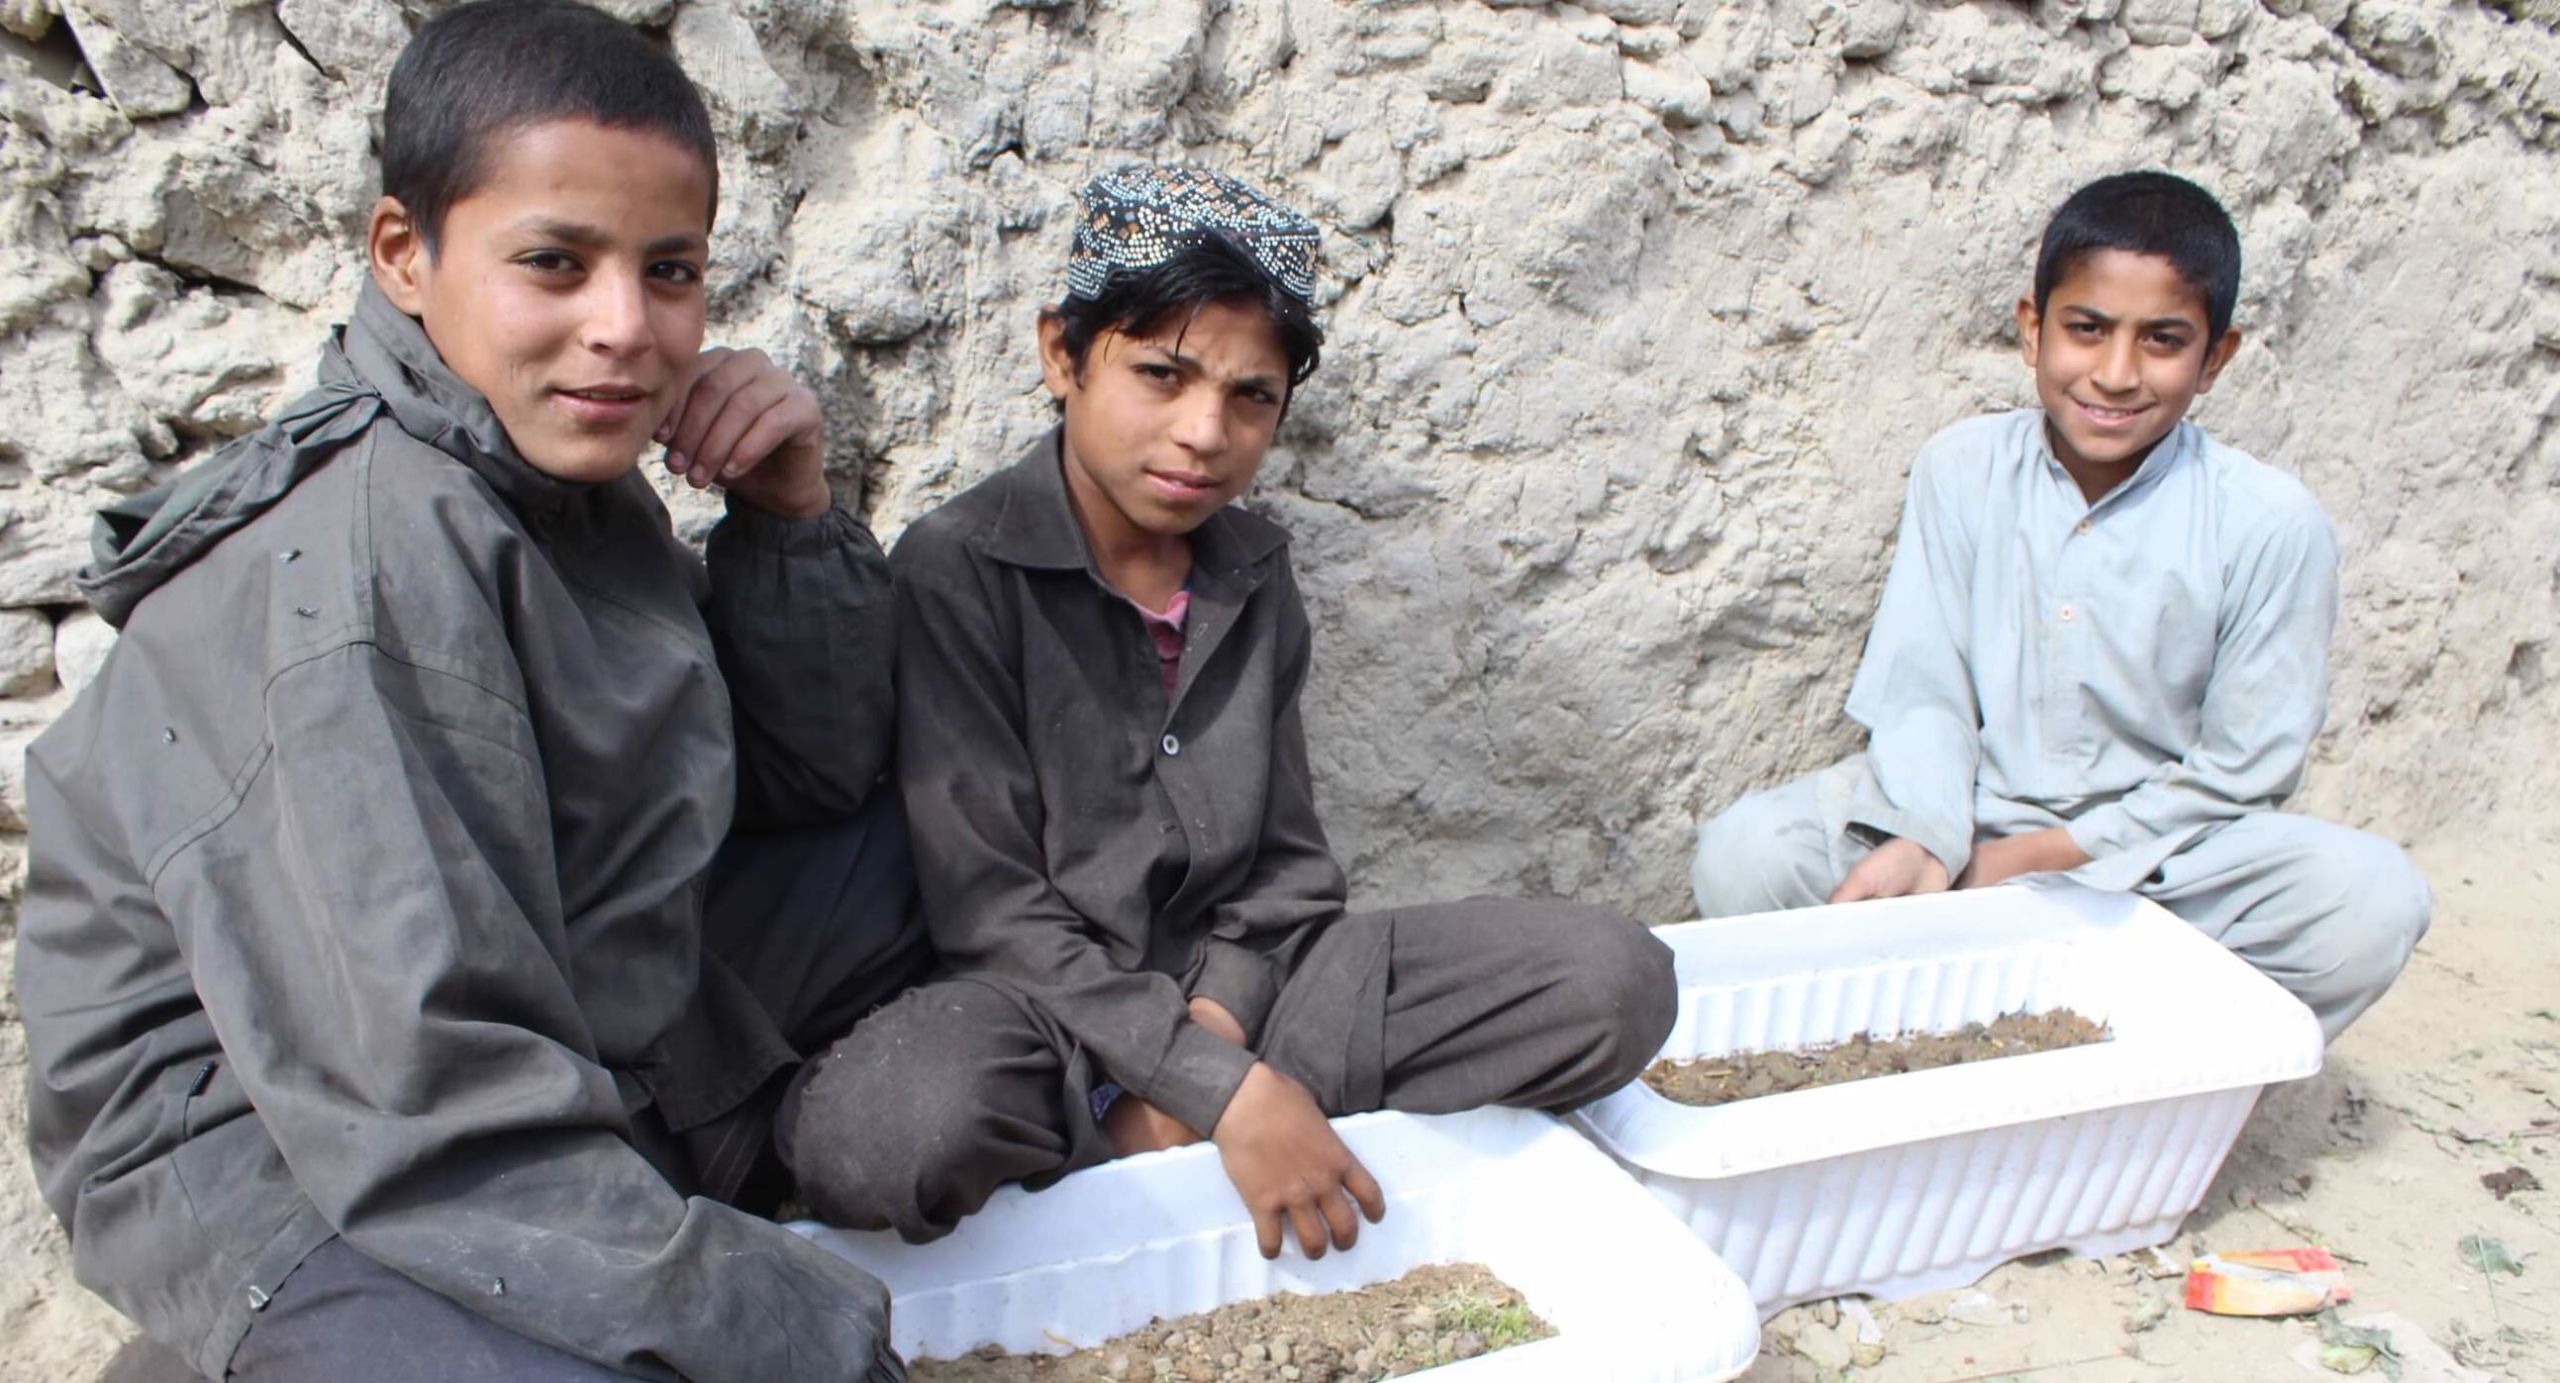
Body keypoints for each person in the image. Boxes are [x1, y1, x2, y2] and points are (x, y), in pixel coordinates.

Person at [18, 3, 921, 1378]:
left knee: (915, 842)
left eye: (668, 270)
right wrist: (777, 1312)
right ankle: (266, 1343)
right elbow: (421, 1088)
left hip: (535, 1011)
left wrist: (788, 520)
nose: (623, 327)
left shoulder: (559, 481)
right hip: (278, 1141)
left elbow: (811, 781)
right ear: (405, 256)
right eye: (554, 262)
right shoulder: (357, 569)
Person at [777, 165, 1676, 1261]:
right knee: (882, 1138)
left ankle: (1154, 1136)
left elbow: (1288, 868)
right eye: (1161, 373)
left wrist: (1214, 1048)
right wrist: (1228, 1094)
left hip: (1253, 995)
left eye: (1251, 396)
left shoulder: (1252, 572)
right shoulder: (959, 569)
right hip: (1039, 1017)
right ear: (1062, 354)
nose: (1205, 431)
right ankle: (1176, 1127)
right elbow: (990, 914)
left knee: (1611, 981)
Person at [1689, 170, 2429, 1042]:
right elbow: (1926, 686)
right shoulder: (1959, 469)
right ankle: (1927, 1047)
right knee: (1748, 856)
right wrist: (1932, 837)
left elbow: (2242, 769)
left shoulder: (2269, 522)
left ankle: (2146, 1078)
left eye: (2162, 340)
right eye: (2087, 329)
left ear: (2215, 358)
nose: (2116, 374)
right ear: (2033, 329)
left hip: (2160, 862)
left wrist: (2044, 857)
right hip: (1965, 822)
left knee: (2372, 900)